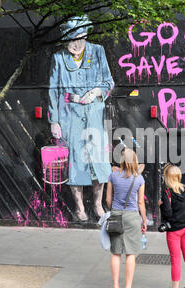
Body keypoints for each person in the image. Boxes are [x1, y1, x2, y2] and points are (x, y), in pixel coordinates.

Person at [48, 15, 114, 222]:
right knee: (74, 164)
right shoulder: (58, 58)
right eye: (70, 38)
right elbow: (53, 90)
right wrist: (54, 121)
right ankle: (79, 208)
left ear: (85, 35)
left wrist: (96, 92)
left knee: (99, 163)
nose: (74, 43)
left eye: (78, 37)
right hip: (69, 117)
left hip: (94, 115)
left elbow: (108, 82)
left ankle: (97, 204)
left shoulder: (98, 52)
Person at [106, 149, 147, 288]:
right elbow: (141, 202)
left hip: (116, 215)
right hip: (132, 217)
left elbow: (108, 199)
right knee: (130, 253)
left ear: (122, 159)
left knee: (116, 252)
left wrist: (114, 210)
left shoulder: (113, 176)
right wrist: (144, 219)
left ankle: (116, 287)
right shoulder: (139, 179)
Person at [158, 164, 185, 288]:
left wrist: (161, 205)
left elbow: (168, 213)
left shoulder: (167, 191)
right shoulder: (184, 189)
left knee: (175, 260)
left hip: (174, 231)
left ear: (167, 177)